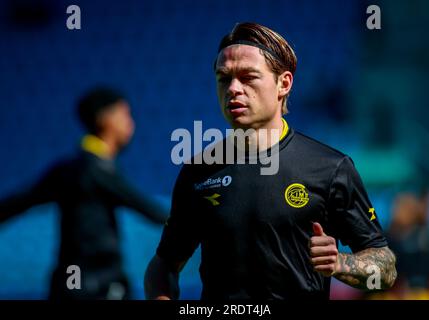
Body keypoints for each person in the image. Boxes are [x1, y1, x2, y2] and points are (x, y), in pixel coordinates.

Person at [144, 22, 397, 300]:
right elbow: (164, 264)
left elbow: (384, 266)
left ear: (283, 84)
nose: (233, 89)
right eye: (223, 78)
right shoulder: (198, 172)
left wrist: (340, 263)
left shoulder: (330, 168)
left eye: (248, 77)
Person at [0, 87, 167, 300]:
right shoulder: (93, 170)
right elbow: (149, 210)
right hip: (87, 282)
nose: (130, 123)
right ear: (104, 119)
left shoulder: (70, 170)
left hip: (83, 279)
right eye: (124, 114)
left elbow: (18, 202)